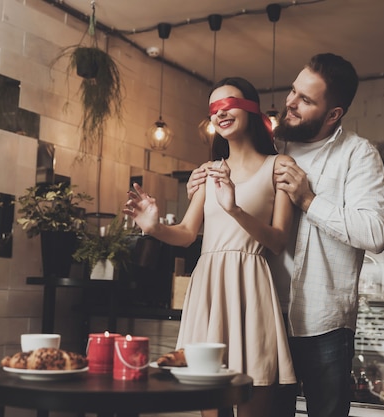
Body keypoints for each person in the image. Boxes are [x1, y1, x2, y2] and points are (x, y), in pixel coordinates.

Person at [186, 53, 384, 417]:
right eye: (293, 92)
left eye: (306, 100)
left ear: (334, 114)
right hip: (262, 314)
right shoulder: (270, 148)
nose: (291, 104)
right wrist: (201, 186)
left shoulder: (358, 155)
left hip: (323, 323)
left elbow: (375, 233)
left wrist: (309, 200)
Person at [123, 77, 297, 417]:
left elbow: (277, 241)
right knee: (208, 403)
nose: (221, 112)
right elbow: (188, 233)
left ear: (251, 109)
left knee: (253, 391)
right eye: (214, 109)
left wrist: (234, 209)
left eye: (229, 103)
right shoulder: (208, 172)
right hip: (209, 288)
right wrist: (155, 227)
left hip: (251, 287)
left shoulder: (279, 167)